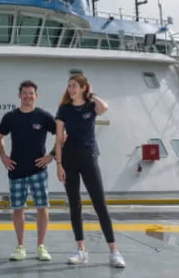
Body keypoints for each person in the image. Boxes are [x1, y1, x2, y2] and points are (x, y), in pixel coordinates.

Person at [55, 73, 125, 268]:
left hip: (89, 157)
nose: (70, 89)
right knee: (74, 204)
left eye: (74, 85)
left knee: (99, 203)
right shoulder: (64, 109)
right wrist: (59, 164)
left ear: (83, 87)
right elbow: (59, 139)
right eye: (69, 86)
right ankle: (80, 249)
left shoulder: (91, 106)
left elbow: (104, 108)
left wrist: (92, 94)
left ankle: (113, 251)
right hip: (69, 159)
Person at [0, 80, 56, 261]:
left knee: (42, 207)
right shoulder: (10, 117)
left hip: (38, 171)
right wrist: (3, 157)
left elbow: (63, 136)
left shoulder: (44, 116)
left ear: (36, 96)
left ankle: (41, 246)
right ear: (19, 95)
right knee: (17, 209)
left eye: (31, 93)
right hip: (16, 171)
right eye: (24, 93)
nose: (27, 96)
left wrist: (51, 156)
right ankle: (20, 246)